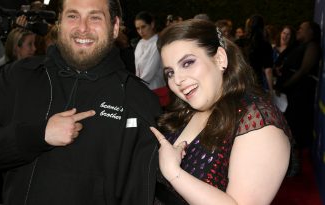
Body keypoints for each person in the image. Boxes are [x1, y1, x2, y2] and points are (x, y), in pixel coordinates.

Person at [0, 0, 161, 204]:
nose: (82, 28)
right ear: (60, 22)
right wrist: (38, 136)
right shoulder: (20, 76)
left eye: (95, 17)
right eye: (73, 16)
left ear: (115, 27)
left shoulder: (139, 102)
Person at [150, 19, 292, 204]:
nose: (177, 80)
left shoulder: (258, 123)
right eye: (170, 72)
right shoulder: (188, 109)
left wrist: (174, 173)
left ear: (220, 59)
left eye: (187, 63)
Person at [275, 21, 322, 150]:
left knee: (295, 129)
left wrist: (284, 86)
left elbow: (303, 70)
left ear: (311, 32)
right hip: (292, 96)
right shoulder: (300, 45)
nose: (299, 30)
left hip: (301, 96)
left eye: (302, 28)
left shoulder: (312, 46)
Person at [134, 11, 168, 106]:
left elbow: (150, 71)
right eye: (138, 28)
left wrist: (136, 86)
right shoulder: (140, 43)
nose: (141, 31)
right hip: (143, 90)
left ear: (152, 24)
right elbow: (137, 68)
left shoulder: (157, 42)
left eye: (143, 27)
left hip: (157, 90)